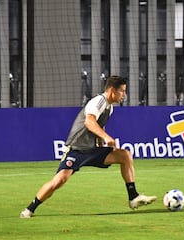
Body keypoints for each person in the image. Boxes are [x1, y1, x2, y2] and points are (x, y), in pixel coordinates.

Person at [20, 75, 157, 218]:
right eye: (122, 91)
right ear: (112, 90)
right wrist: (106, 138)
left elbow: (99, 125)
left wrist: (100, 144)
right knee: (59, 181)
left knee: (125, 155)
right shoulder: (98, 101)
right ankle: (30, 209)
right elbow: (89, 122)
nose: (124, 95)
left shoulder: (109, 108)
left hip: (92, 150)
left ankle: (133, 197)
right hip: (76, 149)